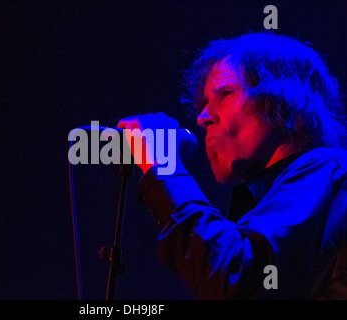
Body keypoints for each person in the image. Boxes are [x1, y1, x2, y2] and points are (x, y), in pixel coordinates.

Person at [117, 32, 347, 299]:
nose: (203, 117)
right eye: (203, 104)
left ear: (287, 105)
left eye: (225, 93)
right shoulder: (267, 201)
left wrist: (164, 165)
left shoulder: (328, 170)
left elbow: (234, 278)